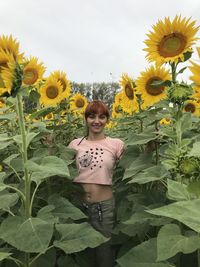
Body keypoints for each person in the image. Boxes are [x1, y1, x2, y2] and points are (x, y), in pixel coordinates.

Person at [68, 100, 124, 267]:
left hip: (104, 208)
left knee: (103, 255)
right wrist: (49, 148)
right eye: (92, 116)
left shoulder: (116, 144)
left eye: (102, 117)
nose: (96, 121)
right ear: (86, 119)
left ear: (107, 120)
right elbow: (60, 167)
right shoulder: (75, 144)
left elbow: (133, 164)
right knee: (81, 256)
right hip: (78, 206)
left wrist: (150, 147)